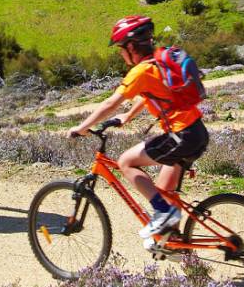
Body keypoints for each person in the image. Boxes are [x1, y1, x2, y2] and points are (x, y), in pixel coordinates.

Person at [67, 15, 208, 244]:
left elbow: (110, 103)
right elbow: (151, 94)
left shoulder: (140, 72)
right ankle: (174, 243)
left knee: (126, 162)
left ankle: (165, 215)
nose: (121, 54)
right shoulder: (158, 61)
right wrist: (128, 116)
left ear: (131, 46)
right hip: (196, 131)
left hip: (181, 136)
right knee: (162, 191)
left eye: (121, 49)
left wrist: (82, 127)